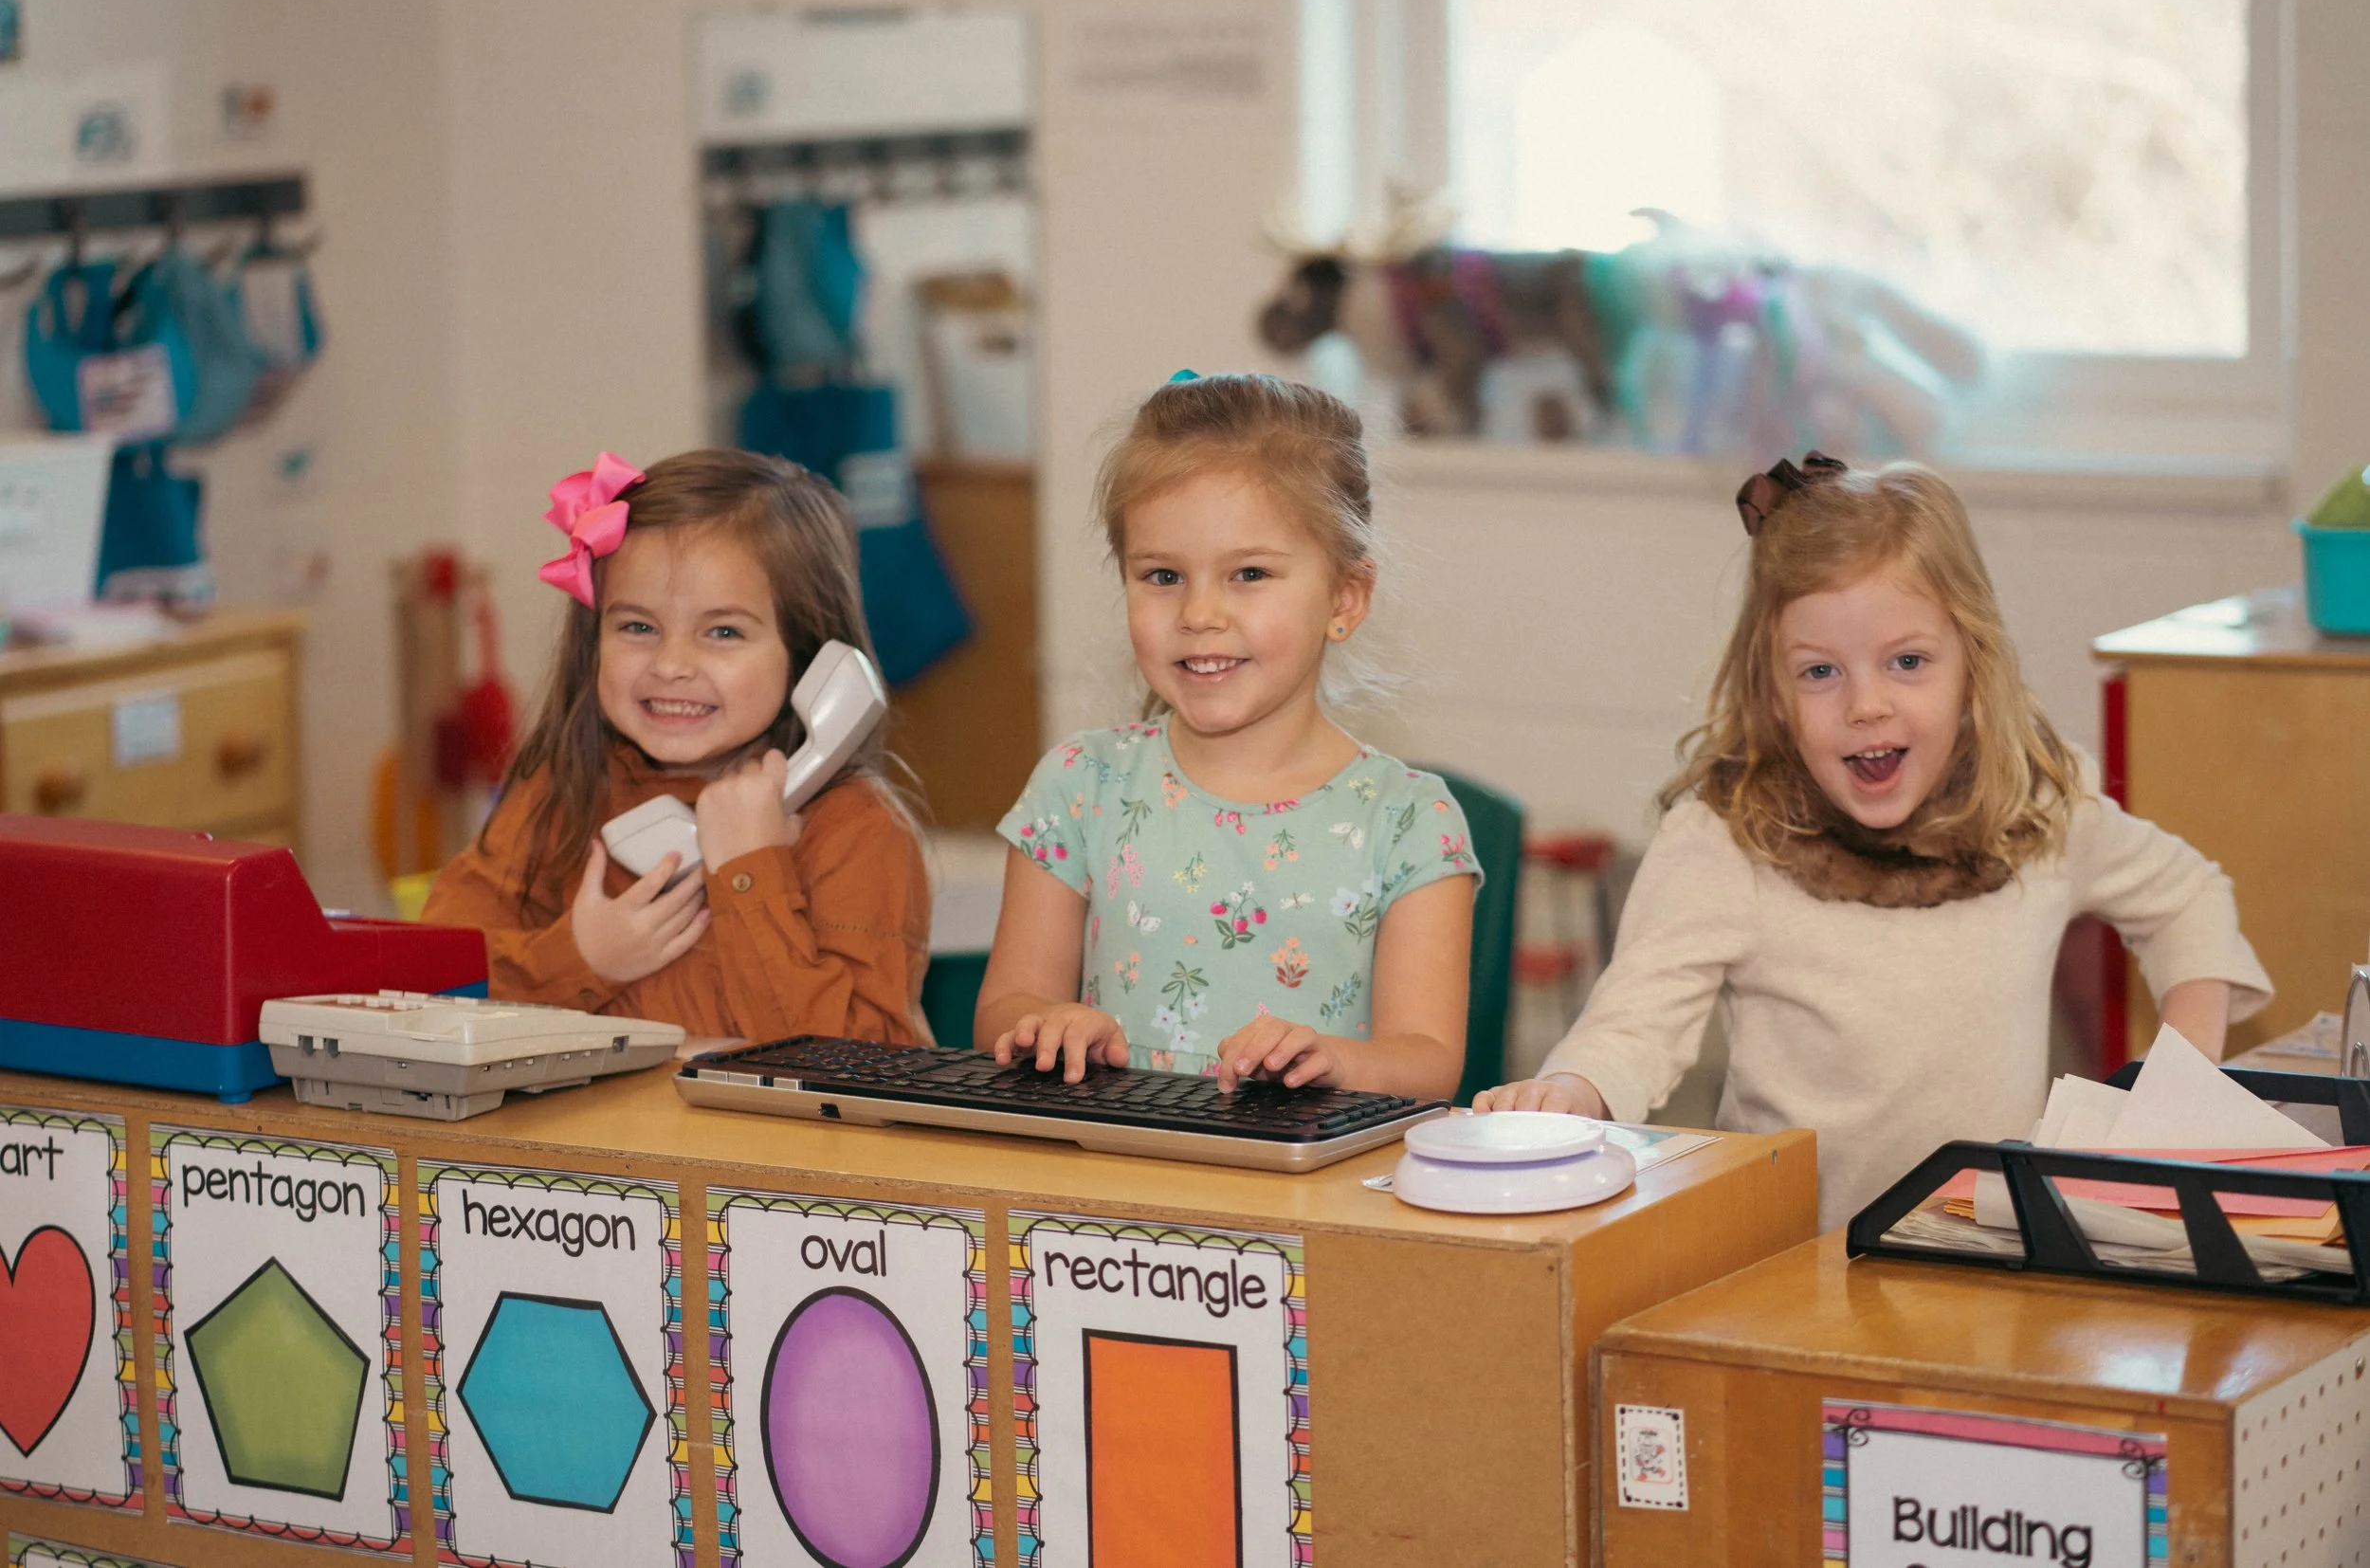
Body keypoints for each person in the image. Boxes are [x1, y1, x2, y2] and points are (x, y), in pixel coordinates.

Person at [1475, 454, 2271, 1229]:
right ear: (1773, 693)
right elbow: (1633, 1023)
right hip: (1795, 1273)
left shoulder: (2036, 809)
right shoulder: (1727, 839)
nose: (1867, 704)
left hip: (1993, 1257)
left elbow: (2188, 892)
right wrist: (1571, 1091)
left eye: (1909, 661)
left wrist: (2182, 1076)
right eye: (1821, 672)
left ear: (1973, 665)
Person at [976, 372, 1479, 1096]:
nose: (1199, 613)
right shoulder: (1079, 785)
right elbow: (1003, 1008)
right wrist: (1046, 1023)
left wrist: (1335, 1061)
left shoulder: (1409, 823)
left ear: (1345, 596)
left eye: (1248, 572)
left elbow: (1428, 1062)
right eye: (1161, 575)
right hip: (1104, 1198)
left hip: (1303, 1202)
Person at [424, 447, 929, 1044]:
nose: (670, 665)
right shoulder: (559, 791)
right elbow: (433, 984)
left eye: (723, 632)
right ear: (595, 640)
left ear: (810, 653)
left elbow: (859, 1068)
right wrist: (584, 958)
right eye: (638, 626)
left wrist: (750, 871)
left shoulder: (855, 830)